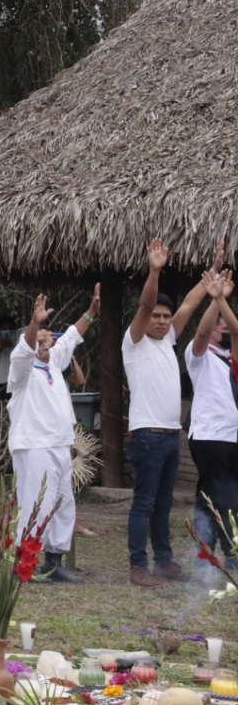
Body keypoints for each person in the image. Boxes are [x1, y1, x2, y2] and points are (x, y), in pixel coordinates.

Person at [123, 237, 217, 587]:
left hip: (169, 435)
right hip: (146, 436)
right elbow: (146, 303)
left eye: (166, 316)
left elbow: (190, 303)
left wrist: (211, 278)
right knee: (144, 504)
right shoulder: (133, 341)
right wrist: (154, 271)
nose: (162, 321)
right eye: (157, 316)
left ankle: (163, 562)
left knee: (163, 505)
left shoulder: (168, 339)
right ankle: (138, 566)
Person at [6, 289, 99, 585]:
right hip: (34, 445)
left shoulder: (54, 364)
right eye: (39, 339)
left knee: (62, 504)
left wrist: (91, 311)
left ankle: (53, 563)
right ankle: (26, 564)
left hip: (60, 444)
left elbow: (71, 335)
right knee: (37, 504)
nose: (45, 343)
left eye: (47, 338)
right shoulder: (21, 370)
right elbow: (26, 348)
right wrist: (35, 323)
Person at [186, 270, 238, 569]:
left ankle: (227, 552)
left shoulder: (233, 358)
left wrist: (223, 303)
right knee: (212, 495)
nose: (226, 331)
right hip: (210, 435)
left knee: (229, 495)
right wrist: (216, 300)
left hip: (233, 436)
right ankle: (209, 554)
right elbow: (203, 334)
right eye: (222, 326)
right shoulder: (199, 356)